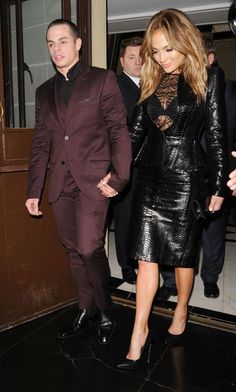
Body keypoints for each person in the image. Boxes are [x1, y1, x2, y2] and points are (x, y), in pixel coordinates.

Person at [117, 8, 227, 370]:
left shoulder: (208, 77)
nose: (161, 58)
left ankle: (181, 307)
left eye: (168, 49)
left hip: (185, 177)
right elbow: (136, 132)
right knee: (147, 256)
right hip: (149, 175)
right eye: (156, 50)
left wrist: (219, 185)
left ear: (184, 43)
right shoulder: (151, 77)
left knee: (181, 255)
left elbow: (215, 134)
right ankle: (139, 332)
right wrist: (115, 171)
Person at [25, 19, 131, 345]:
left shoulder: (102, 79)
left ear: (78, 43)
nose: (56, 49)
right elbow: (41, 143)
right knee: (73, 250)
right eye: (50, 43)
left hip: (94, 182)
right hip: (60, 185)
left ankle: (106, 308)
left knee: (89, 247)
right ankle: (85, 308)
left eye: (63, 41)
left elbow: (118, 130)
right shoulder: (43, 92)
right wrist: (34, 190)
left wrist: (119, 176)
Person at [157, 35, 236, 300]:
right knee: (174, 230)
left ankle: (210, 278)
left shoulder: (230, 90)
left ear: (209, 59)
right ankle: (169, 281)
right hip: (181, 172)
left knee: (213, 231)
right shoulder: (172, 87)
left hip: (217, 173)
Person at [112, 36, 142, 284]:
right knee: (125, 217)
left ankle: (143, 259)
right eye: (131, 57)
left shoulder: (155, 84)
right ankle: (126, 264)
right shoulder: (117, 87)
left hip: (152, 166)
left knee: (144, 217)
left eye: (141, 56)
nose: (138, 61)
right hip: (127, 164)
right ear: (122, 61)